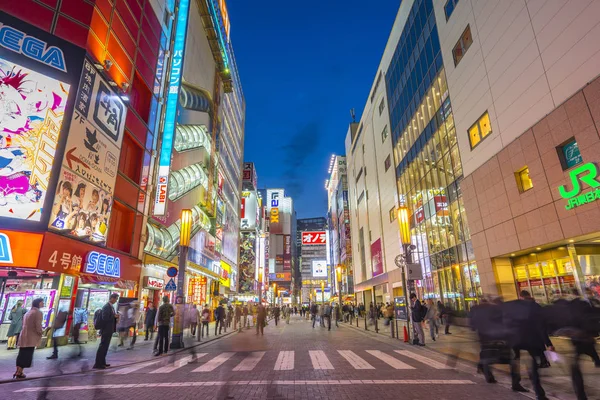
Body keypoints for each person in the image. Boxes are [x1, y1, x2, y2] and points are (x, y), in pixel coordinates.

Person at [503, 291, 549, 399]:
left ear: (521, 296)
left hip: (515, 339)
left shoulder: (512, 306)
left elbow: (505, 322)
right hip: (531, 339)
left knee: (515, 361)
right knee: (533, 366)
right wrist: (548, 343)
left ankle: (515, 383)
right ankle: (539, 393)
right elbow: (542, 327)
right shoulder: (535, 307)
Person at [14, 298, 44, 379]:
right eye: (42, 302)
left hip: (23, 336)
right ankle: (19, 372)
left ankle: (18, 371)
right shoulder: (38, 313)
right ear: (38, 303)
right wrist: (41, 332)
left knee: (22, 354)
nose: (43, 303)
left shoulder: (28, 312)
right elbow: (38, 326)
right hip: (31, 337)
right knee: (27, 355)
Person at [94, 293, 119, 369]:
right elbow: (105, 318)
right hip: (106, 330)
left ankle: (103, 362)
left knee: (105, 347)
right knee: (103, 346)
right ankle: (98, 364)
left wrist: (115, 317)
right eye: (115, 299)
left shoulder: (111, 307)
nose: (116, 300)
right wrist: (114, 316)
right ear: (111, 298)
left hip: (109, 330)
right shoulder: (106, 307)